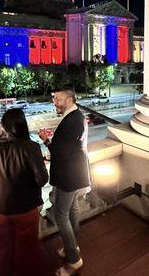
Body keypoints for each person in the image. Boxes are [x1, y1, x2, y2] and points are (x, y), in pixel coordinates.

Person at [0, 108, 48, 276]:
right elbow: (42, 180)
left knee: (0, 250)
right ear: (23, 126)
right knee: (26, 251)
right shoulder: (31, 147)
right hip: (26, 208)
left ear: (3, 126)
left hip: (1, 209)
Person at [39, 89, 90, 276]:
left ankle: (74, 260)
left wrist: (46, 141)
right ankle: (72, 247)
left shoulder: (72, 120)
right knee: (73, 209)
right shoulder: (76, 116)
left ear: (69, 99)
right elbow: (67, 146)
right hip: (76, 174)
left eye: (58, 99)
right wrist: (55, 141)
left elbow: (60, 152)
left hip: (68, 176)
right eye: (54, 98)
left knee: (61, 216)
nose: (55, 102)